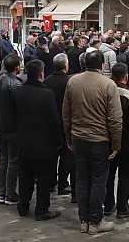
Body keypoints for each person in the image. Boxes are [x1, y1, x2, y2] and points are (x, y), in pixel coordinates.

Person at [62, 50, 122, 234]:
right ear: (102, 65)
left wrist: (68, 137)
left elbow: (66, 113)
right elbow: (115, 118)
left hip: (78, 137)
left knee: (81, 179)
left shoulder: (73, 82)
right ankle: (96, 220)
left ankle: (84, 219)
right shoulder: (108, 85)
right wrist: (116, 144)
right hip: (99, 139)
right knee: (98, 180)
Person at [12, 58, 63, 220]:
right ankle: (42, 209)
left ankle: (23, 205)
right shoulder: (46, 94)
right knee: (43, 178)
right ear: (41, 74)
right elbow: (54, 120)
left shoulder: (17, 92)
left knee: (25, 175)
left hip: (23, 141)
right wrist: (59, 140)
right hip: (43, 143)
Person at [104, 63, 129, 219]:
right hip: (127, 142)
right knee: (125, 174)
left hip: (107, 140)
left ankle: (108, 204)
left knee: (108, 174)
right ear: (125, 77)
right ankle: (122, 206)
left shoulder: (105, 91)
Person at [0, 54, 24, 205]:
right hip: (13, 127)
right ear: (17, 67)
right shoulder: (16, 84)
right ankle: (10, 193)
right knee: (13, 161)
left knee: (4, 159)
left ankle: (2, 192)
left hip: (1, 125)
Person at [43, 53, 73, 196]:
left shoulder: (46, 81)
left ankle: (50, 182)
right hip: (65, 122)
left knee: (52, 155)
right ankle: (63, 183)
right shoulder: (69, 82)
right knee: (66, 156)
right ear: (66, 66)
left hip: (49, 123)